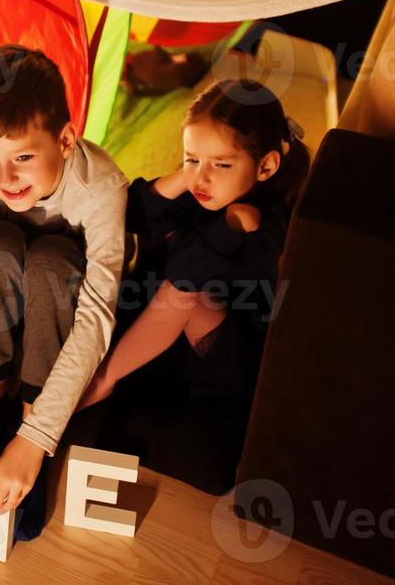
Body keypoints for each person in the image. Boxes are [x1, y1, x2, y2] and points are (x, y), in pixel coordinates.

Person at [0, 45, 128, 540]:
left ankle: (29, 415)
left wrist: (35, 440)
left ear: (65, 139)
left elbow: (96, 317)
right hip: (3, 276)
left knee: (52, 259)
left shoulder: (102, 188)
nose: (5, 178)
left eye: (24, 158)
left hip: (59, 284)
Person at [75, 78, 308, 494]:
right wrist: (185, 176)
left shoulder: (257, 223)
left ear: (266, 166)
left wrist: (230, 224)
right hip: (174, 347)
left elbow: (186, 273)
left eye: (221, 164)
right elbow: (130, 218)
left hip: (228, 365)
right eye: (191, 158)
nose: (203, 178)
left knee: (182, 291)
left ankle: (106, 379)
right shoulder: (209, 191)